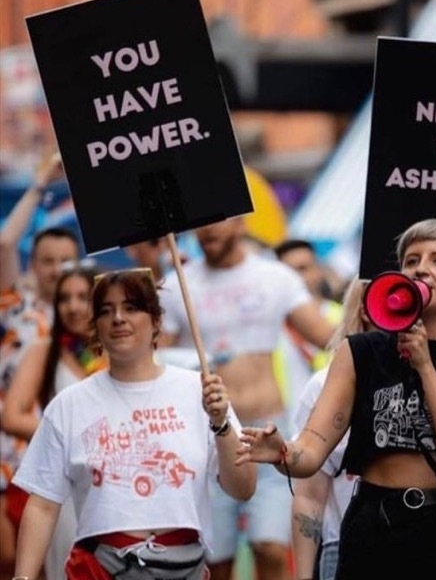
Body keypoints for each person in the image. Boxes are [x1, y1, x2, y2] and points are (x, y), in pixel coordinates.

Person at [236, 218, 436, 580]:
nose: (421, 268)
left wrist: (425, 367)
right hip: (377, 531)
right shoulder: (359, 353)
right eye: (411, 260)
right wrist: (282, 453)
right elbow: (311, 450)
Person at [10, 268, 256, 579]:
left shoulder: (202, 392)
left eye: (131, 307)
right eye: (105, 310)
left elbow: (243, 487)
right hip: (99, 569)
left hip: (185, 568)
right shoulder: (69, 405)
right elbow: (43, 505)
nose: (118, 318)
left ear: (156, 322)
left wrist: (221, 423)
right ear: (95, 327)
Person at [158, 217, 335, 580]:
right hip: (209, 436)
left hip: (268, 430)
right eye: (200, 226)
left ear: (239, 222)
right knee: (215, 561)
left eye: (215, 223)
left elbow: (329, 338)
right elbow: (154, 357)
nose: (206, 231)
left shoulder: (275, 277)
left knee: (269, 548)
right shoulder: (179, 284)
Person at [0, 152, 79, 576]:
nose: (57, 270)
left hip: (77, 464)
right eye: (47, 261)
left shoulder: (93, 323)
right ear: (33, 265)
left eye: (65, 261)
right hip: (15, 459)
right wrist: (39, 184)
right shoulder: (20, 311)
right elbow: (4, 244)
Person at [1, 266, 105, 578]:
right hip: (67, 481)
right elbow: (12, 416)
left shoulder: (118, 351)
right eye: (64, 298)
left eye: (83, 297)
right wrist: (71, 437)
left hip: (113, 482)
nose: (73, 306)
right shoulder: (45, 350)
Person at [291, 278, 369, 580]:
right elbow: (310, 493)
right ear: (363, 308)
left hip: (427, 549)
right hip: (346, 549)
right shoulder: (324, 386)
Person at [274, 238, 344, 428]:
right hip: (284, 432)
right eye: (287, 272)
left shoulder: (344, 318)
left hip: (334, 431)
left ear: (319, 270)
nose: (296, 278)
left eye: (303, 268)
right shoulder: (270, 326)